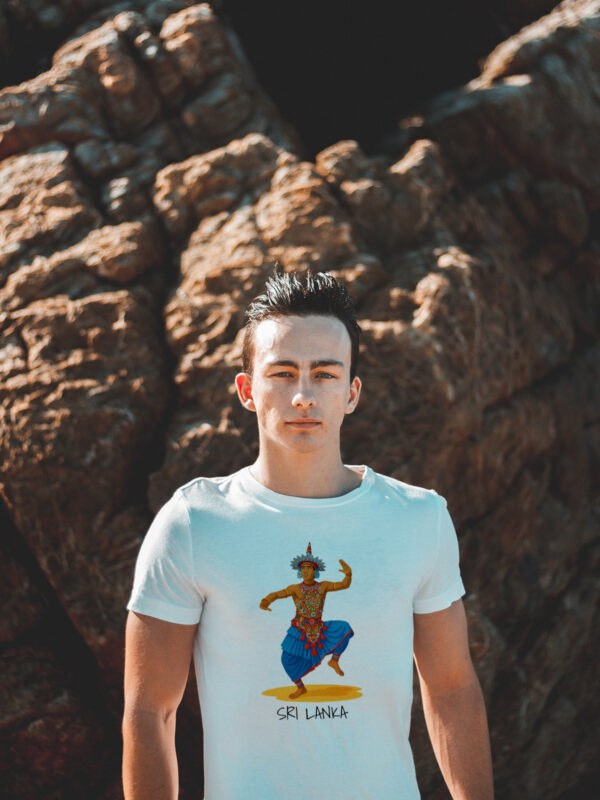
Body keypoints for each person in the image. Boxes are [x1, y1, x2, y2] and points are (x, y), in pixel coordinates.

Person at [123, 269, 494, 800]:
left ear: (351, 392)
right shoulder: (192, 523)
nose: (303, 395)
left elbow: (453, 689)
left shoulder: (418, 518)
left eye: (324, 373)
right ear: (248, 390)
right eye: (282, 373)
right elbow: (148, 712)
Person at [260, 542, 354, 698]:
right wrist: (266, 601)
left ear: (315, 571)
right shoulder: (295, 588)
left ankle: (334, 661)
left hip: (319, 628)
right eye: (302, 568)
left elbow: (343, 585)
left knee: (344, 628)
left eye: (308, 568)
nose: (305, 571)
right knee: (286, 659)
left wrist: (348, 574)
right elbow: (278, 594)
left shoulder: (323, 586)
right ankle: (300, 687)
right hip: (300, 630)